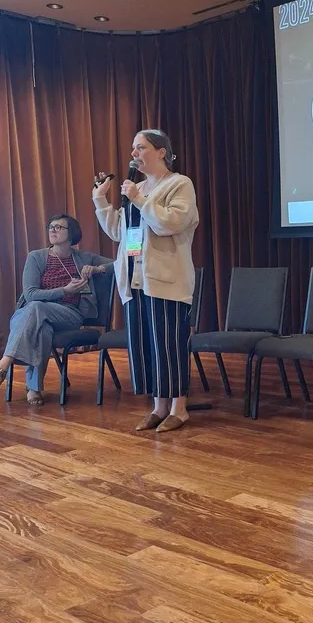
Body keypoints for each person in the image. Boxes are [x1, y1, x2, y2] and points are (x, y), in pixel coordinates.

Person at [92, 129, 199, 433]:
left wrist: (138, 199)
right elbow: (120, 233)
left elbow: (171, 223)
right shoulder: (136, 188)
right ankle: (158, 407)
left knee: (168, 345)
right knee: (146, 346)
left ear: (161, 151)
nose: (134, 153)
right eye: (133, 148)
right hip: (134, 278)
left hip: (166, 280)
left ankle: (179, 409)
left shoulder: (179, 184)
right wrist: (101, 200)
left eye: (141, 147)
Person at [0, 215, 112, 405]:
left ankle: (2, 365)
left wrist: (97, 269)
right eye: (51, 226)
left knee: (36, 309)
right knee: (42, 328)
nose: (53, 230)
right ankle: (34, 388)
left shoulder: (84, 257)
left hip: (69, 314)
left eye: (59, 227)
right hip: (31, 314)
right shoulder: (36, 257)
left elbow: (118, 263)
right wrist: (64, 290)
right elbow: (30, 294)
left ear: (72, 233)